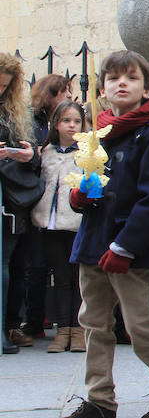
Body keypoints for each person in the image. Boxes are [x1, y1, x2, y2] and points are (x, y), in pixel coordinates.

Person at [66, 50, 149, 418]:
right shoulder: (96, 136)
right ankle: (99, 400)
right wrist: (80, 196)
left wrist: (126, 246)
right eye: (114, 78)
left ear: (146, 88)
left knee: (139, 326)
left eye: (132, 78)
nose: (122, 83)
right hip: (93, 243)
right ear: (102, 89)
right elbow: (88, 188)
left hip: (128, 248)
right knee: (93, 323)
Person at [9, 74, 73, 346]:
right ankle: (33, 320)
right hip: (34, 202)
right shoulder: (32, 122)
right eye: (65, 92)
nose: (69, 97)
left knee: (54, 267)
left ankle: (56, 323)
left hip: (58, 207)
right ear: (53, 93)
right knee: (35, 264)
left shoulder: (54, 125)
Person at [31, 100, 86, 353]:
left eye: (76, 121)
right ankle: (63, 330)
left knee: (78, 278)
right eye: (66, 120)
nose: (71, 125)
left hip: (76, 222)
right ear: (56, 124)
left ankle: (78, 330)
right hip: (50, 222)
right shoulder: (47, 151)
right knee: (61, 277)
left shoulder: (87, 150)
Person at [0, 52, 40, 355]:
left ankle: (8, 326)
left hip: (12, 199)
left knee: (12, 264)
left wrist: (28, 156)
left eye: (4, 86)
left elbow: (35, 157)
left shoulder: (16, 113)